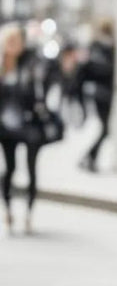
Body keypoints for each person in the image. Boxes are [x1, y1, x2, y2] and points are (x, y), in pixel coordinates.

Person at [0, 24, 58, 234]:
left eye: (17, 41)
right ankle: (7, 210)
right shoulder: (2, 68)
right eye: (10, 41)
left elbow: (44, 87)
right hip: (5, 128)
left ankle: (29, 214)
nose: (14, 45)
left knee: (32, 169)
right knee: (10, 168)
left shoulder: (31, 65)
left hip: (29, 124)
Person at [78, 18, 115, 172]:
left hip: (103, 93)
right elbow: (89, 70)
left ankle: (89, 157)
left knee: (105, 129)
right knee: (105, 129)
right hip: (101, 94)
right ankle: (89, 157)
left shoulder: (105, 48)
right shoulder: (100, 48)